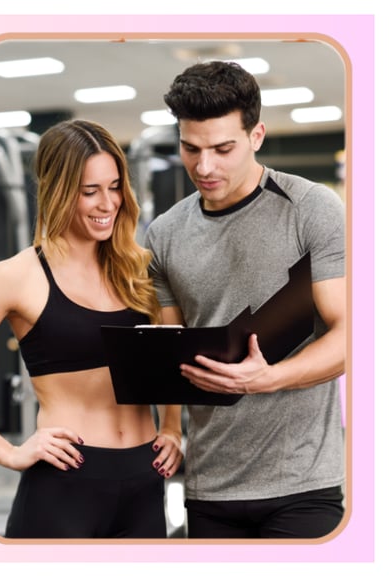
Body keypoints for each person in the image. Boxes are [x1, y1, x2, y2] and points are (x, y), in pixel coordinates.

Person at [143, 61, 346, 538]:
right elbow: (171, 346)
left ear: (256, 136)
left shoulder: (311, 208)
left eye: (222, 149)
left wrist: (268, 379)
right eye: (190, 148)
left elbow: (351, 336)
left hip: (303, 484)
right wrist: (169, 427)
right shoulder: (165, 234)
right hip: (209, 487)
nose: (204, 167)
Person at [0, 119, 183, 539]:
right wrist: (9, 452)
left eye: (114, 187)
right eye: (90, 191)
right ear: (58, 191)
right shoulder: (16, 276)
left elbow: (171, 354)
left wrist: (172, 427)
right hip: (65, 483)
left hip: (144, 480)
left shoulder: (141, 269)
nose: (107, 203)